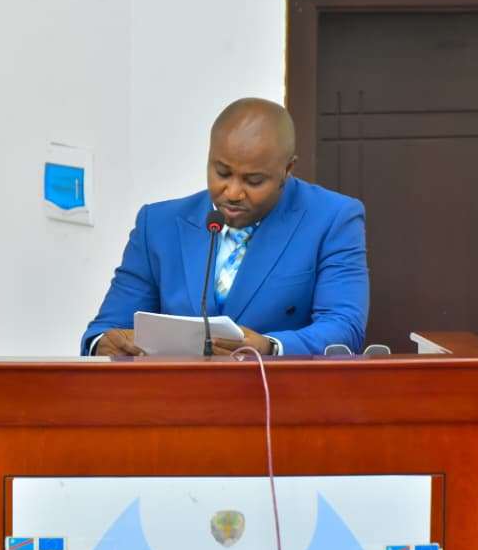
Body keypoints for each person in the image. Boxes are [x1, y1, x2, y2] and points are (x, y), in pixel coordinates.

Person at [81, 98, 368, 357]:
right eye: (222, 172)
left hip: (277, 393)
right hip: (177, 394)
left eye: (253, 181)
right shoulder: (157, 225)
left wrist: (271, 347)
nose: (232, 192)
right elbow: (105, 330)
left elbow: (344, 328)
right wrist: (106, 344)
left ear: (287, 170)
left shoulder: (333, 218)